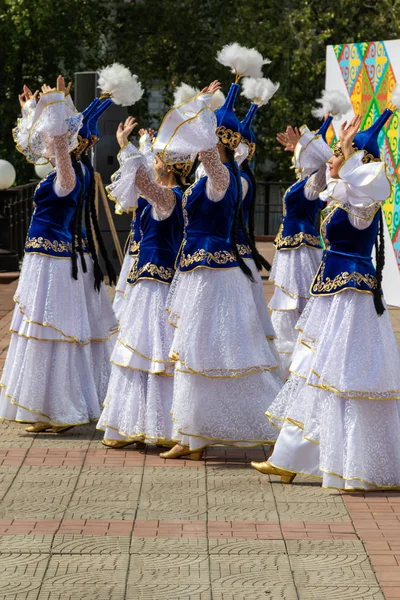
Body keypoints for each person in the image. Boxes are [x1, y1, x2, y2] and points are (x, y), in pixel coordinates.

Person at [252, 111, 400, 490]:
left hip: (352, 301)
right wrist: (321, 149)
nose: (331, 159)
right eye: (335, 153)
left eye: (338, 154)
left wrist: (349, 151)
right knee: (315, 374)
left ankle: (358, 467)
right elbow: (323, 181)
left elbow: (361, 191)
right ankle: (287, 459)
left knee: (344, 379)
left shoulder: (365, 202)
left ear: (357, 162)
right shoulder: (340, 198)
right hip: (332, 296)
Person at [0, 65, 141, 432]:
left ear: (67, 142)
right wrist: (36, 110)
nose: (48, 141)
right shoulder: (71, 171)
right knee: (48, 331)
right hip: (52, 259)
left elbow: (56, 145)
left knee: (54, 331)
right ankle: (51, 407)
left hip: (54, 262)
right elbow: (40, 144)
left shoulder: (68, 174)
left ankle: (61, 409)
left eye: (56, 137)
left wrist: (57, 111)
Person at [155, 68, 283, 459]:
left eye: (205, 142)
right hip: (196, 272)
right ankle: (192, 434)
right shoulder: (200, 179)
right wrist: (200, 108)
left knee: (216, 351)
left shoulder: (222, 177)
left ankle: (272, 425)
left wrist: (202, 112)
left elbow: (209, 155)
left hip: (215, 275)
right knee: (193, 352)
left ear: (219, 143)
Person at [98, 109, 194, 448]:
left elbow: (139, 180)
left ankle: (165, 428)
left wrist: (126, 148)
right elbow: (136, 186)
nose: (153, 162)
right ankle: (130, 423)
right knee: (136, 352)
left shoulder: (171, 197)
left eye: (158, 159)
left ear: (167, 166)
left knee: (155, 354)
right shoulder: (164, 195)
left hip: (160, 285)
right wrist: (128, 149)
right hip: (146, 281)